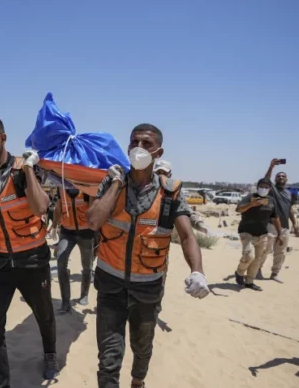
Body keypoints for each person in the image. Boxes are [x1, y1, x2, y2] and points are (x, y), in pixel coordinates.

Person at [86, 123, 210, 388]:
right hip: (110, 286)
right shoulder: (112, 181)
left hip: (147, 288)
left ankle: (138, 381)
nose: (139, 148)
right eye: (134, 142)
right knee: (108, 358)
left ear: (158, 151)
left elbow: (187, 236)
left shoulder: (170, 191)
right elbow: (94, 221)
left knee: (142, 348)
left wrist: (197, 271)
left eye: (146, 144)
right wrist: (117, 183)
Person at [0, 116, 59, 384]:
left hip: (31, 259)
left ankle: (51, 353)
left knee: (43, 314)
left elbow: (41, 207)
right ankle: (1, 383)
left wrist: (29, 169)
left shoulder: (22, 171)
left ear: (3, 138)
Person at [53, 183, 95, 314]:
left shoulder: (87, 189)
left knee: (87, 265)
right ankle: (66, 301)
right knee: (61, 261)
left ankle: (84, 295)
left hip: (86, 232)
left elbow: (94, 209)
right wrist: (54, 226)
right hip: (68, 231)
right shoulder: (61, 187)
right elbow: (58, 208)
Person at [234, 178, 281, 291]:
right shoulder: (250, 197)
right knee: (249, 256)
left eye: (266, 187)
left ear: (269, 189)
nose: (263, 189)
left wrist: (279, 233)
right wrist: (251, 204)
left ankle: (249, 282)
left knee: (257, 260)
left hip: (262, 234)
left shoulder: (271, 201)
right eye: (261, 186)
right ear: (257, 186)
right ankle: (239, 272)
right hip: (246, 232)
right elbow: (238, 210)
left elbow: (275, 218)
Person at [258, 159, 299, 283]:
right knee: (265, 250)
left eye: (283, 176)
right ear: (275, 180)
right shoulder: (272, 190)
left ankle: (274, 274)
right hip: (270, 225)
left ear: (286, 179)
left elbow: (290, 209)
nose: (281, 177)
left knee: (280, 252)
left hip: (285, 227)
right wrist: (271, 166)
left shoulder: (289, 193)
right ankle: (258, 270)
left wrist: (295, 225)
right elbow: (265, 180)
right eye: (278, 176)